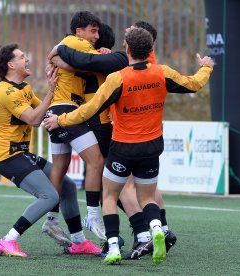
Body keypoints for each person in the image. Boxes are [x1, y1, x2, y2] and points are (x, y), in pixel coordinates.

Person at [43, 27, 214, 265]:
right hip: (152, 147)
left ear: (127, 49)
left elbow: (87, 110)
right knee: (147, 198)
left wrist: (59, 120)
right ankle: (157, 228)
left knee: (110, 195)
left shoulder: (118, 78)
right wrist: (206, 66)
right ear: (151, 50)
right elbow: (194, 84)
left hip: (123, 148)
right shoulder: (162, 72)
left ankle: (113, 245)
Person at [54, 21, 177, 260]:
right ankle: (160, 228)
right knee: (145, 188)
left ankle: (140, 235)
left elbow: (86, 64)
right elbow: (90, 64)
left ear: (135, 42)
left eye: (130, 32)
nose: (125, 33)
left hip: (123, 133)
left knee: (120, 188)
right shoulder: (150, 65)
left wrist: (59, 51)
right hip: (150, 133)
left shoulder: (125, 62)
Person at [0, 44, 99, 257]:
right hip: (8, 157)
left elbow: (47, 112)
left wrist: (62, 110)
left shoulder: (25, 88)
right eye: (23, 57)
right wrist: (51, 92)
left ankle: (78, 242)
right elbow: (34, 119)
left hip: (21, 153)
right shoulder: (5, 91)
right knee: (49, 196)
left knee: (67, 186)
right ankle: (7, 240)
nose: (27, 59)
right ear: (11, 65)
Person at [43, 11, 106, 244]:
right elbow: (97, 65)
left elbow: (81, 63)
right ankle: (92, 215)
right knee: (96, 161)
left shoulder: (67, 46)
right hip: (67, 111)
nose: (96, 36)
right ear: (78, 31)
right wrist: (103, 57)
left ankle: (50, 218)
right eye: (93, 30)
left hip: (55, 110)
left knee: (60, 167)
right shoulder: (75, 42)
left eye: (98, 31)